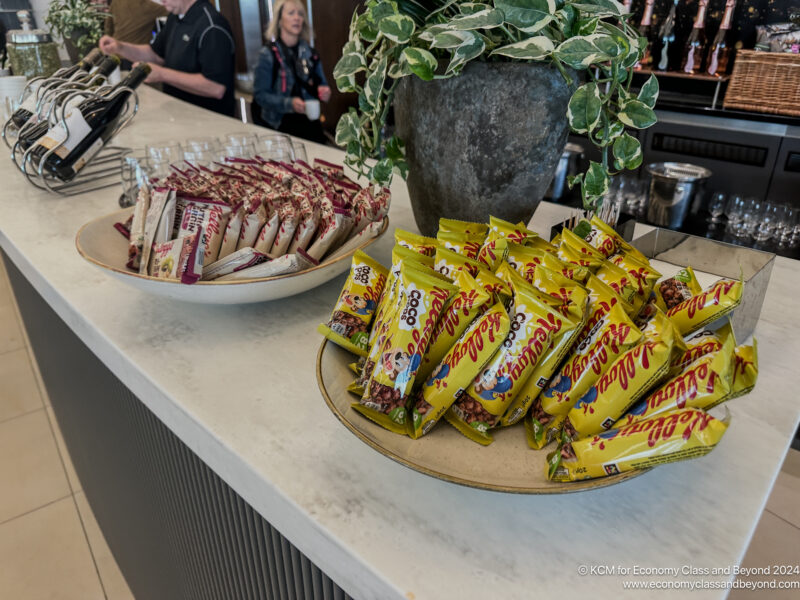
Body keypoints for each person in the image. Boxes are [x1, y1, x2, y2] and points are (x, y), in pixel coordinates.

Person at [98, 0, 236, 117]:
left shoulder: (212, 26)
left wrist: (162, 74)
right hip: (178, 112)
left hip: (208, 118)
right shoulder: (175, 17)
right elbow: (155, 55)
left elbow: (216, 87)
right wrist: (120, 48)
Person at [252, 0, 331, 143]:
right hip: (280, 127)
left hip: (311, 126)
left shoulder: (311, 54)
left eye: (300, 14)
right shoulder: (267, 55)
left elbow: (322, 84)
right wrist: (289, 103)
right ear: (279, 20)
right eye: (291, 13)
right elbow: (260, 96)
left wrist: (324, 91)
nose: (297, 18)